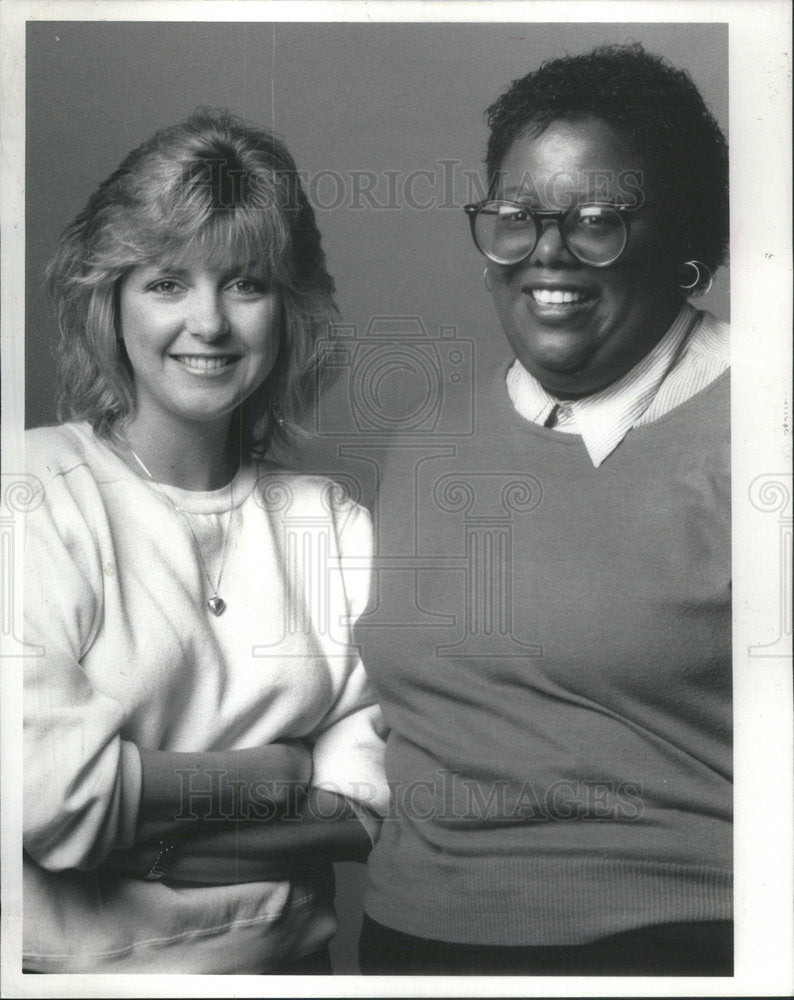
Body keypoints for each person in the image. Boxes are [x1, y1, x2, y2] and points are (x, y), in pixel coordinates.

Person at [356, 43, 731, 975]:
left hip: (674, 946)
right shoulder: (427, 437)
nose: (547, 254)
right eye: (516, 219)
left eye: (598, 220)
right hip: (410, 941)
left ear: (684, 235)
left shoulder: (764, 429)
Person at [23, 110, 388, 974]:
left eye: (245, 284)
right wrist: (278, 772)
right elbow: (45, 797)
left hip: (288, 977)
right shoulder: (34, 490)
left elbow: (369, 806)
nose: (210, 323)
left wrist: (144, 828)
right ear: (108, 299)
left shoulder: (330, 522)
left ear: (289, 309)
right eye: (166, 283)